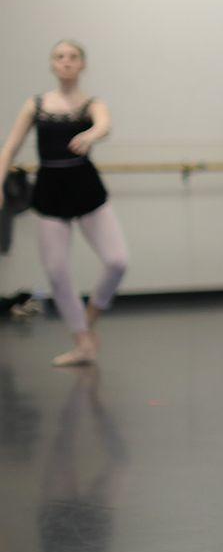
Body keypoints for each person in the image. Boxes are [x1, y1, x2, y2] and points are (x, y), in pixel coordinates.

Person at [0, 40, 129, 366]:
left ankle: (90, 317)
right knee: (57, 271)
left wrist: (91, 134)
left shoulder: (91, 104)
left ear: (82, 64)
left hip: (86, 187)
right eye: (60, 57)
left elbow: (105, 123)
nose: (66, 62)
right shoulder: (37, 104)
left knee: (117, 261)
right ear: (52, 65)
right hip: (50, 190)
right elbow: (9, 148)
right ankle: (82, 340)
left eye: (73, 57)